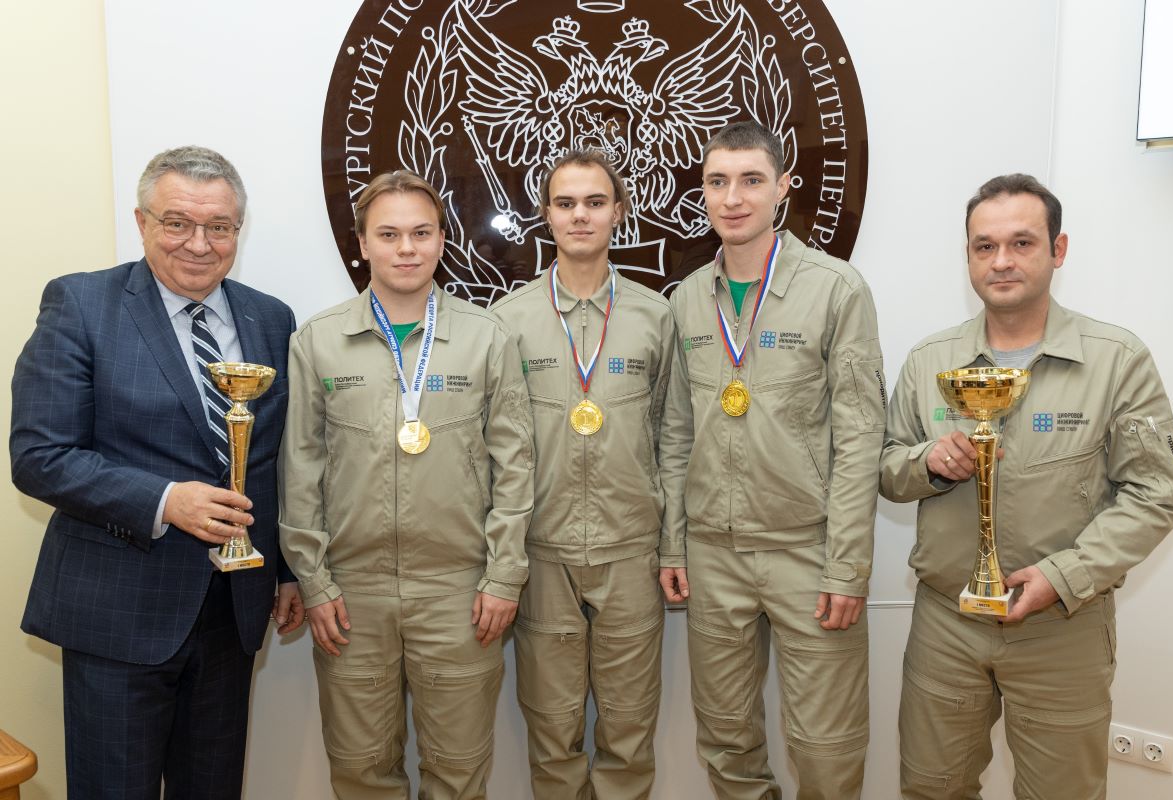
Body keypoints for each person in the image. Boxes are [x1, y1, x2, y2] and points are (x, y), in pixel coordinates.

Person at [880, 173, 1173, 799]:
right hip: (948, 625)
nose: (1001, 261)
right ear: (968, 256)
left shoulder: (1116, 359)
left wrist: (1065, 576)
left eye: (1021, 243)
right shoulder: (931, 360)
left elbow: (1158, 491)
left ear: (1058, 249)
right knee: (930, 789)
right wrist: (927, 462)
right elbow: (885, 467)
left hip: (1062, 627)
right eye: (984, 246)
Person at [10, 145, 303, 800]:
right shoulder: (81, 304)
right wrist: (166, 500)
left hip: (232, 612)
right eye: (177, 222)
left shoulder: (270, 318)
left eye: (218, 226)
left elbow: (272, 457)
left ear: (238, 230)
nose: (199, 243)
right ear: (142, 222)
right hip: (118, 612)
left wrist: (287, 570)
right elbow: (39, 456)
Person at [278, 169, 534, 799]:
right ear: (362, 243)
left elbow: (515, 467)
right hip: (351, 596)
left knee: (458, 772)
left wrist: (504, 575)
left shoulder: (487, 337)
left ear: (442, 239)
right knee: (361, 771)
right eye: (388, 234)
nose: (406, 249)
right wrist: (314, 581)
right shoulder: (318, 341)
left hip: (459, 593)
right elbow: (300, 469)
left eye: (421, 233)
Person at [659, 121, 885, 799]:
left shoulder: (837, 289)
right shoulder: (687, 298)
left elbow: (861, 437)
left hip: (807, 552)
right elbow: (676, 434)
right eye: (718, 182)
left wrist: (847, 565)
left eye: (751, 180)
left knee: (825, 746)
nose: (733, 198)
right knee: (726, 740)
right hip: (713, 556)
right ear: (703, 191)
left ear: (784, 187)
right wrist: (674, 543)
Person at [490, 150, 675, 799]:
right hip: (543, 555)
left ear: (619, 212)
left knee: (629, 729)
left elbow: (671, 438)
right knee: (553, 729)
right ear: (546, 214)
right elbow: (496, 452)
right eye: (565, 203)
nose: (580, 216)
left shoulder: (656, 316)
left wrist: (672, 544)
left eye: (595, 202)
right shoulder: (508, 320)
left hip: (630, 553)